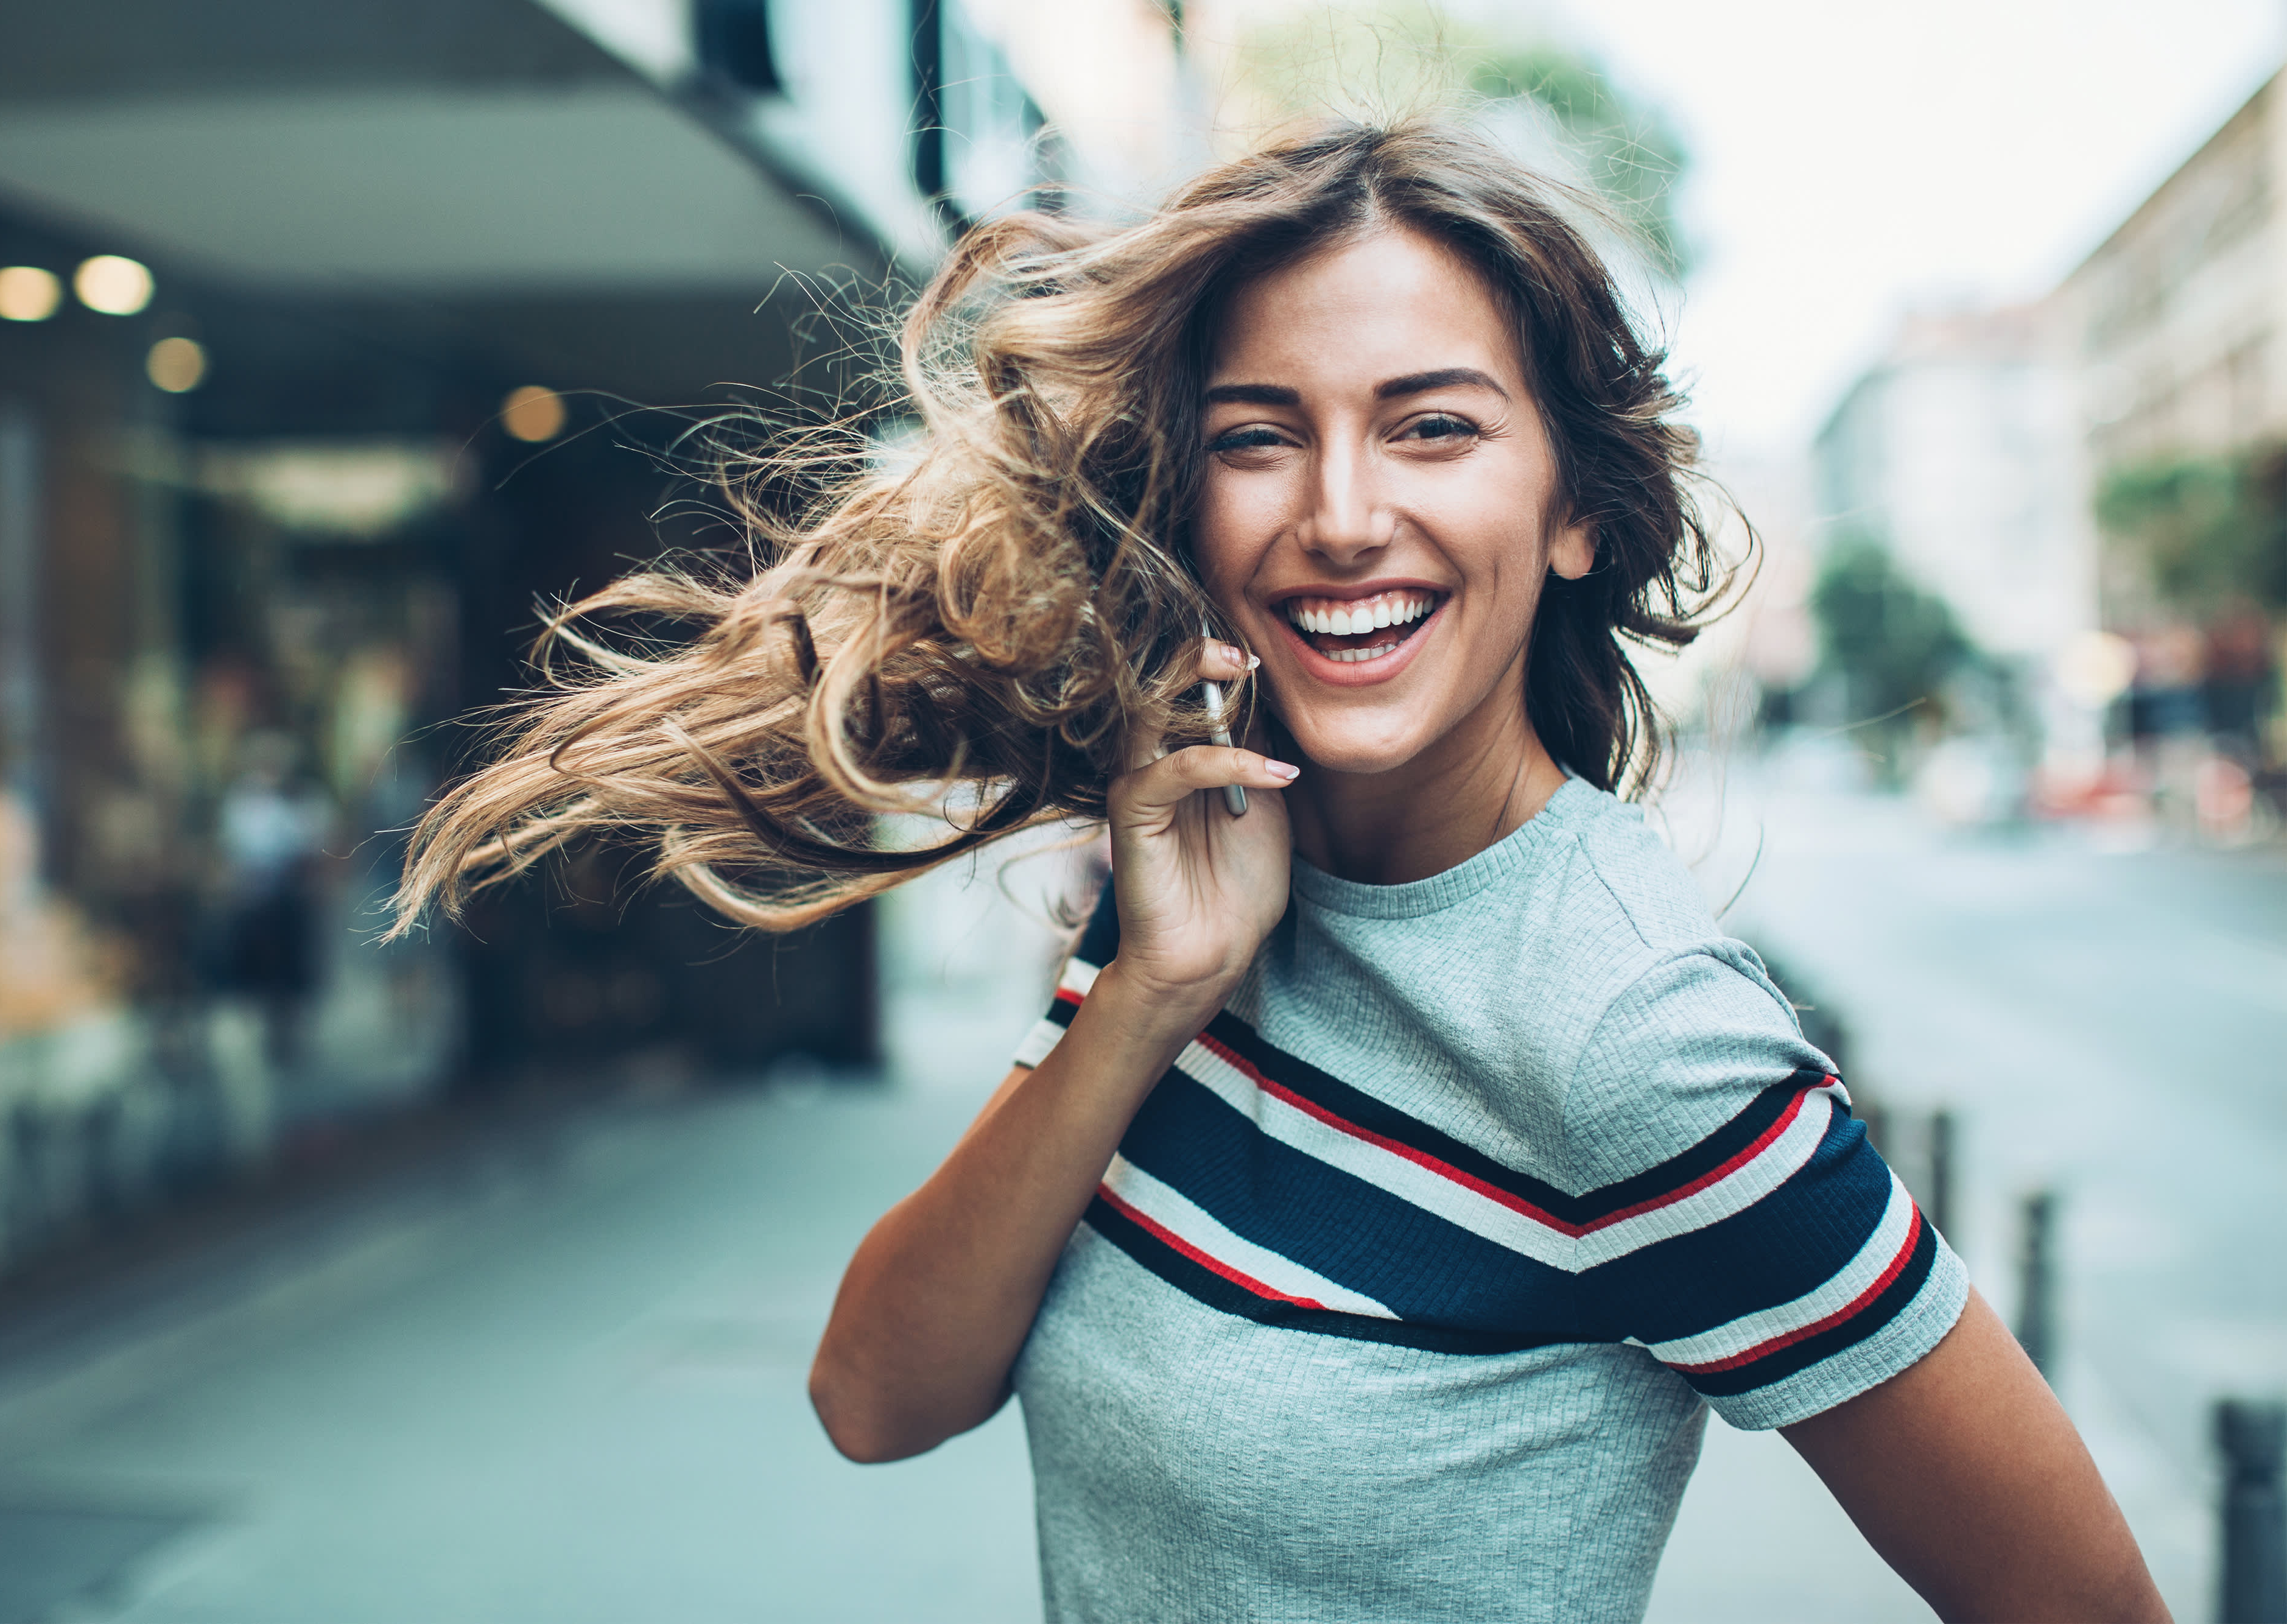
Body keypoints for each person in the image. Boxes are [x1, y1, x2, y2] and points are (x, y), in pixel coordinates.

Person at [396, 121, 2167, 1623]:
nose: (1336, 511)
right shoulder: (1211, 859)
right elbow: (874, 1392)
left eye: (1433, 426)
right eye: (1260, 433)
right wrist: (1152, 986)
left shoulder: (1639, 1035)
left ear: (1574, 510)